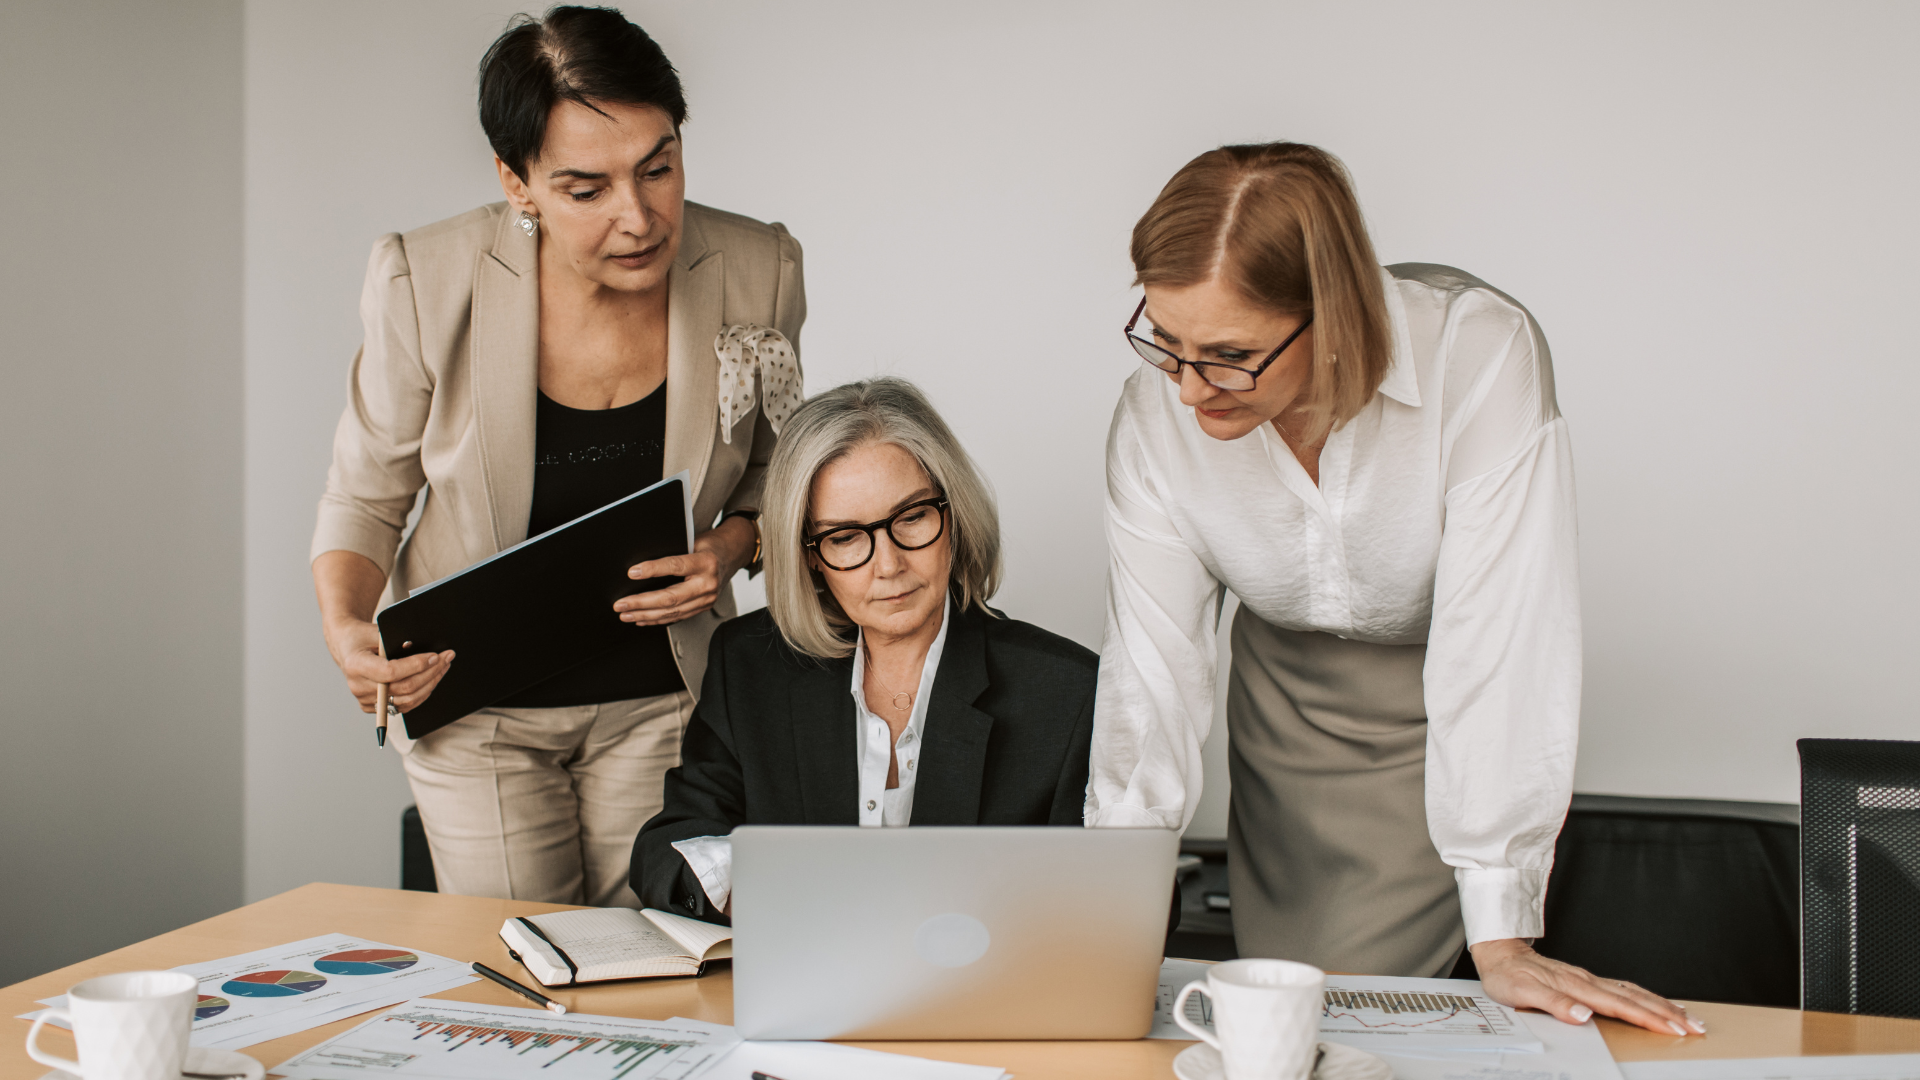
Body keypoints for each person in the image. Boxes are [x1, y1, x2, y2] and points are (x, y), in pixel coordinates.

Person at [1086, 142, 1702, 1035]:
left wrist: (1503, 930)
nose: (1186, 390)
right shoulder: (1153, 419)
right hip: (1287, 705)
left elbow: (1499, 640)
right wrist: (1114, 911)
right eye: (1163, 342)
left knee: (1367, 1011)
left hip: (1444, 694)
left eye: (1228, 355)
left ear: (1329, 314)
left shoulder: (1479, 356)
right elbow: (1152, 673)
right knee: (1288, 1004)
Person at [310, 6, 805, 907]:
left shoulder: (758, 264)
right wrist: (349, 630)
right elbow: (366, 494)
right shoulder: (424, 279)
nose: (640, 216)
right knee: (527, 975)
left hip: (666, 696)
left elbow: (781, 478)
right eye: (586, 188)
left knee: (660, 965)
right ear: (517, 181)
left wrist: (727, 552)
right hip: (476, 706)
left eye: (659, 167)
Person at [631, 378, 1096, 920]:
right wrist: (746, 883)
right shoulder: (750, 664)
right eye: (846, 537)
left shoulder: (1069, 693)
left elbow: (1135, 902)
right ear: (809, 554)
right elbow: (668, 844)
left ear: (955, 516)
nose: (889, 564)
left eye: (912, 517)